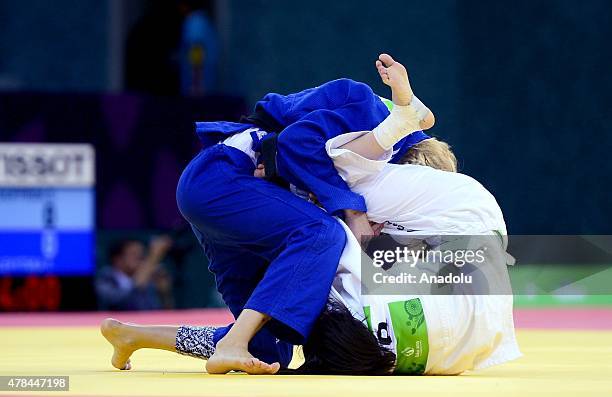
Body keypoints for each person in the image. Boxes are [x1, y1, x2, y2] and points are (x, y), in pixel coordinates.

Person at [100, 55, 518, 375]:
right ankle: (234, 342)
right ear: (405, 165)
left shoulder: (376, 145)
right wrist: (351, 210)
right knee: (323, 236)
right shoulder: (366, 128)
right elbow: (298, 143)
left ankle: (135, 336)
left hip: (224, 196)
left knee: (269, 349)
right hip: (223, 177)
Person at [95, 236, 174, 311]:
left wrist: (164, 293)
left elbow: (164, 313)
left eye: (141, 254)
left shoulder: (148, 279)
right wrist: (153, 257)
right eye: (134, 254)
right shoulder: (105, 277)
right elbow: (122, 301)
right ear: (118, 259)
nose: (139, 258)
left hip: (146, 323)